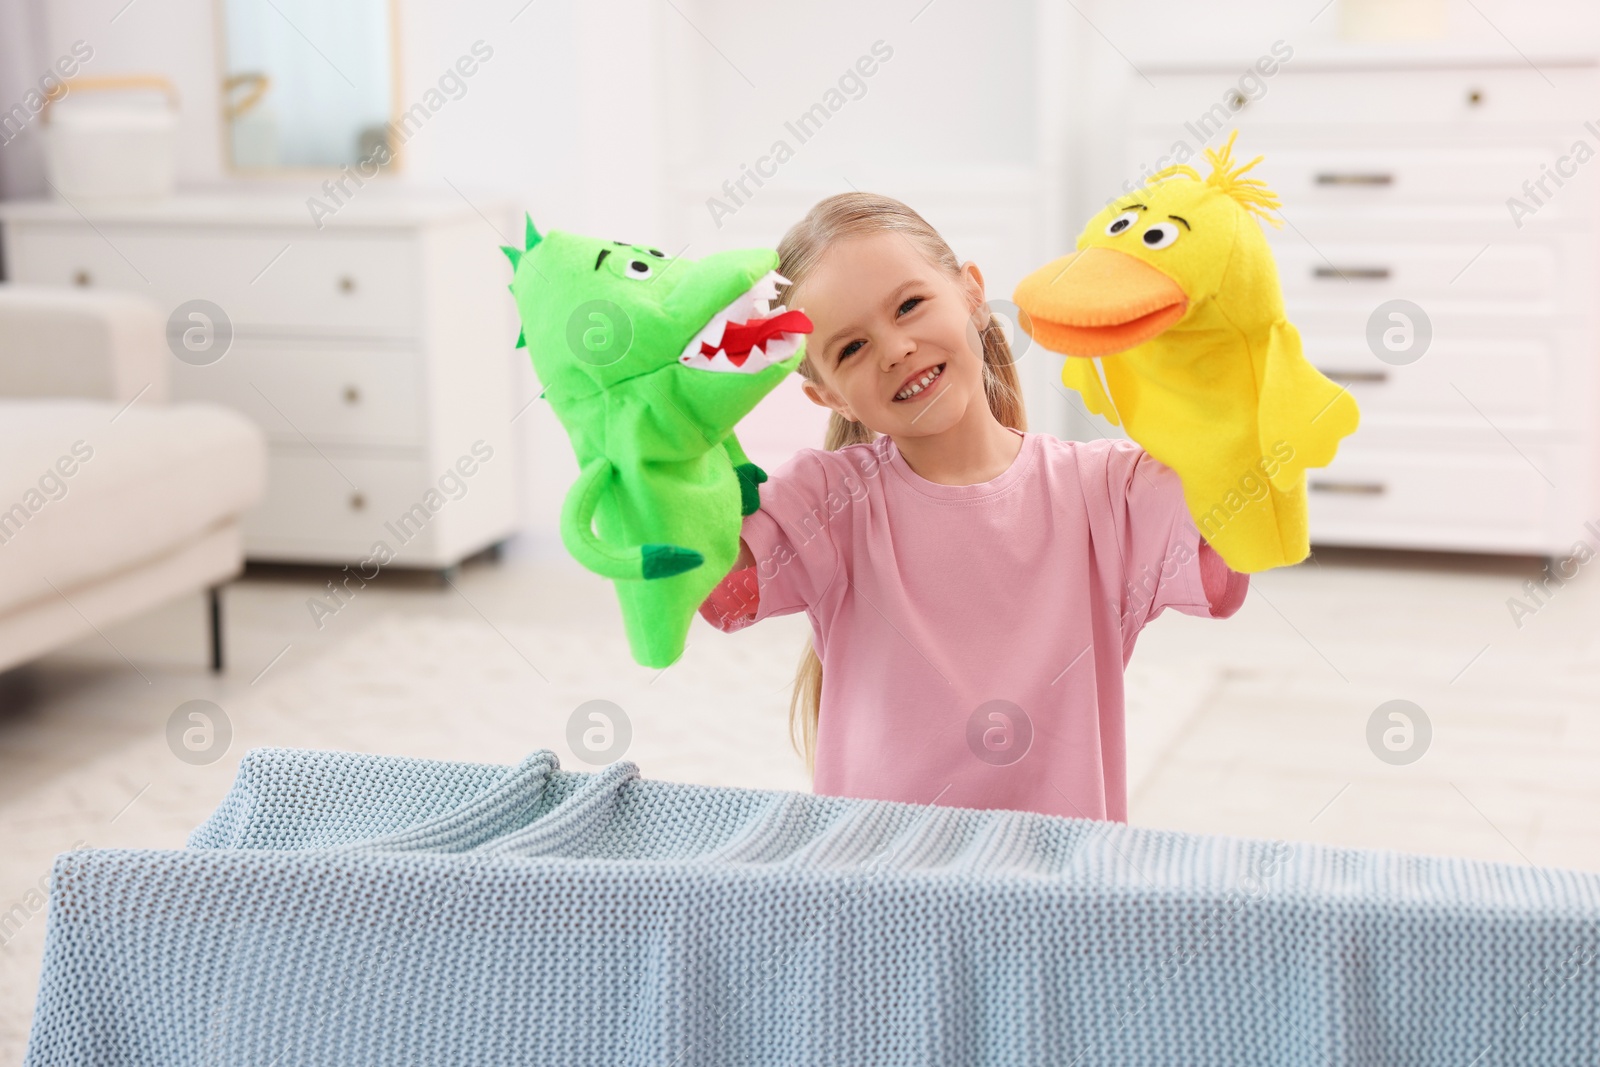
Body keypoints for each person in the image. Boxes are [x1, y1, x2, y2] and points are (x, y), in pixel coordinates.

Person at [697, 192, 1248, 823]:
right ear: (828, 396)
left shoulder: (1108, 491)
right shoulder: (827, 502)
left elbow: (1235, 515)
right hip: (878, 889)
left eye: (909, 305)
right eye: (851, 349)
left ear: (973, 295)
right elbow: (715, 572)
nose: (896, 348)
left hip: (1055, 893)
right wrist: (680, 429)